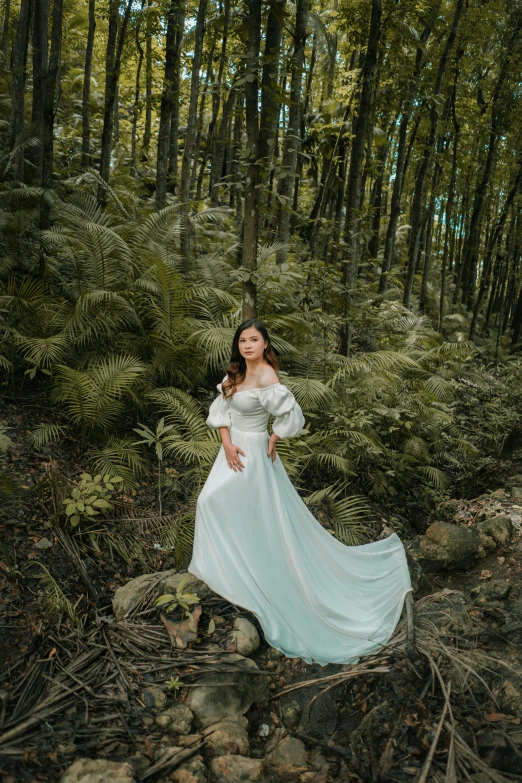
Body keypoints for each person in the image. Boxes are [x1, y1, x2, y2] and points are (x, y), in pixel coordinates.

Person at [187, 318, 413, 666]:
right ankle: (222, 570)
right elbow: (221, 415)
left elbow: (291, 416)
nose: (247, 345)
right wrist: (228, 446)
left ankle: (250, 573)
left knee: (246, 512)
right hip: (232, 453)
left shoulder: (267, 377)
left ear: (265, 345)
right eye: (243, 340)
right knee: (211, 501)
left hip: (256, 453)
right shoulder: (234, 374)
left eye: (254, 340)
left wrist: (273, 438)